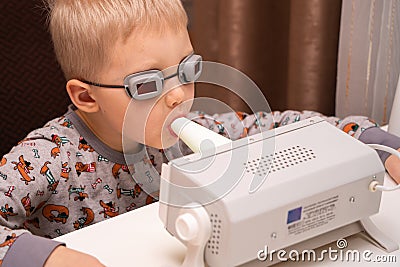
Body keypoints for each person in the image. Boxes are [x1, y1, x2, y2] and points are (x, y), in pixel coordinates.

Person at [0, 0, 399, 266]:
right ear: (86, 96)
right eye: (148, 83)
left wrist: (371, 141)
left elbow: (283, 127)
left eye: (187, 69)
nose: (179, 96)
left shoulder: (198, 131)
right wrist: (47, 258)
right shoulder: (46, 158)